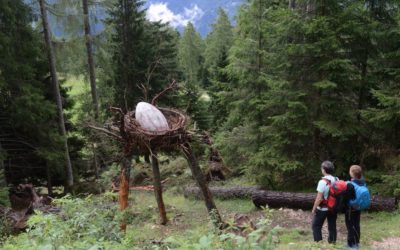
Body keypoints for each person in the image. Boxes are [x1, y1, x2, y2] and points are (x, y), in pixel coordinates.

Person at [311, 161, 337, 243]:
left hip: (323, 208)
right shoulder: (336, 179)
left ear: (324, 170)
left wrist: (314, 208)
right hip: (333, 207)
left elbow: (319, 198)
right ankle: (332, 244)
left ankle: (318, 244)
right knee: (332, 226)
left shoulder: (322, 182)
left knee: (316, 226)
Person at [345, 165, 365, 249]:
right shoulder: (362, 182)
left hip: (350, 208)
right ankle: (356, 243)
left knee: (350, 226)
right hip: (358, 207)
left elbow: (347, 197)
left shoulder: (350, 184)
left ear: (352, 173)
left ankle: (351, 245)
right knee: (356, 224)